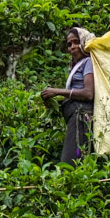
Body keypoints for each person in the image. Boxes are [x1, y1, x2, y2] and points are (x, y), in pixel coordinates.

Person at [39, 27, 96, 164]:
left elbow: (88, 93)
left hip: (82, 117)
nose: (72, 47)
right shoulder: (77, 66)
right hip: (76, 117)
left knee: (70, 162)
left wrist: (57, 91)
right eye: (69, 44)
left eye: (76, 42)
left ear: (84, 42)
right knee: (77, 159)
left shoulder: (88, 62)